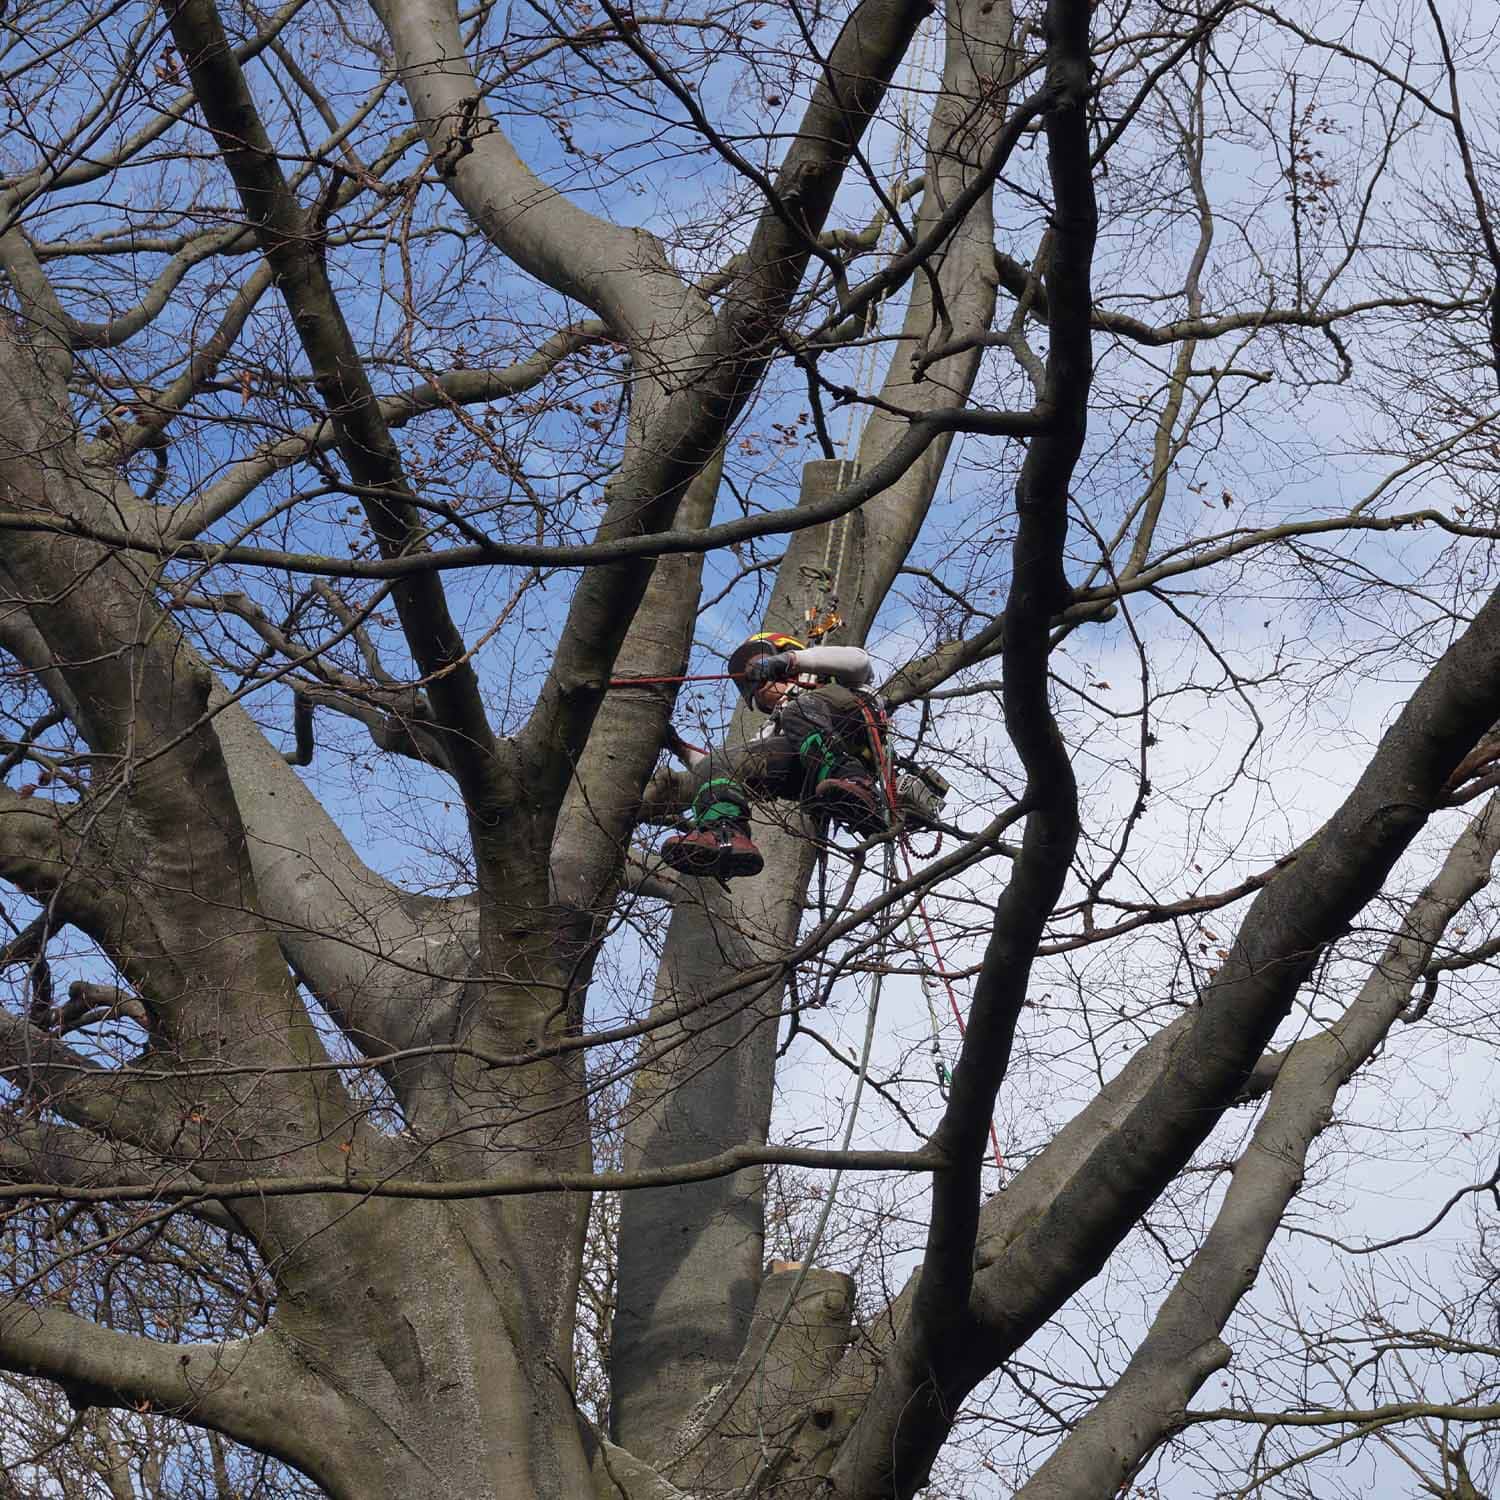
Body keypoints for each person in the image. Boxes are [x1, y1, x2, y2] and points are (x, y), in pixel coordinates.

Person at [661, 632, 888, 880]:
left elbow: (858, 661)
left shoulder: (836, 680)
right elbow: (722, 766)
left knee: (798, 710)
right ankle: (724, 831)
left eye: (759, 665)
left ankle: (852, 781)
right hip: (806, 771)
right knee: (723, 763)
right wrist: (678, 746)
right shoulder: (774, 727)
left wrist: (789, 660)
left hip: (849, 726)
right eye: (752, 682)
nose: (757, 680)